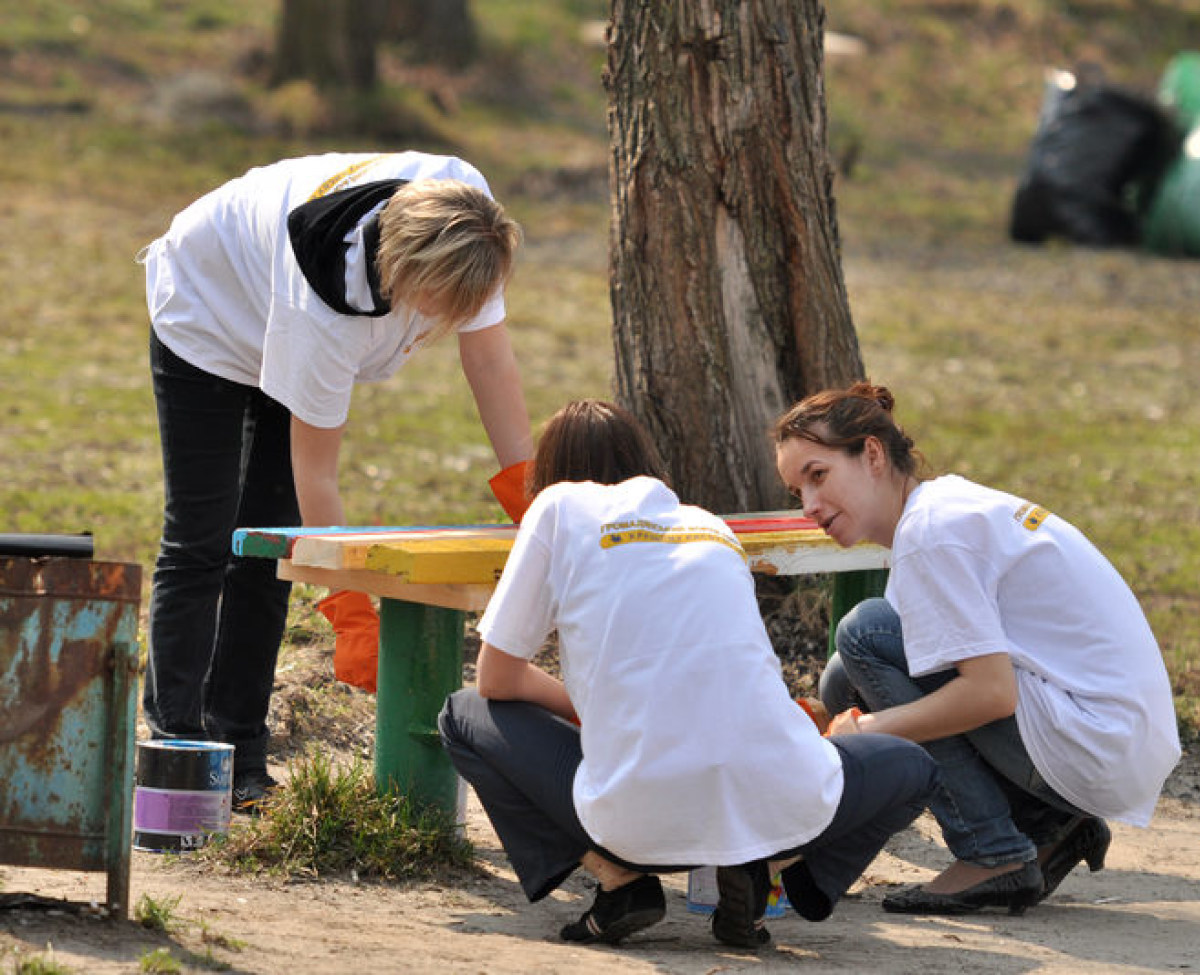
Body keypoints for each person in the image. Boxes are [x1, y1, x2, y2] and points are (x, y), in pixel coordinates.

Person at [437, 399, 937, 948]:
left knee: (464, 714)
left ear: (551, 473)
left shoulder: (557, 508)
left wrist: (587, 708)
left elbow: (496, 679)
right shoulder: (708, 526)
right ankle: (765, 874)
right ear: (645, 460)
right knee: (912, 766)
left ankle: (619, 881)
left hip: (633, 826)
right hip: (773, 802)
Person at [140, 151, 533, 812]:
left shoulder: (470, 222)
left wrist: (532, 498)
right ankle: (177, 750)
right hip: (210, 309)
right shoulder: (325, 307)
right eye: (436, 308)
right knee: (206, 536)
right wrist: (348, 611)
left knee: (265, 548)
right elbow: (315, 479)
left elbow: (490, 362)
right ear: (400, 271)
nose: (441, 325)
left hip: (278, 293)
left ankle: (241, 756)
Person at [772, 380, 1181, 916]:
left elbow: (990, 695)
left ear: (871, 453)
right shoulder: (941, 508)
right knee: (845, 679)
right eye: (796, 491)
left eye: (818, 476)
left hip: (1097, 743)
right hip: (1114, 738)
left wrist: (869, 731)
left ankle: (992, 852)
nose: (808, 505)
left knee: (865, 634)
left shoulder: (931, 533)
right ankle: (1046, 824)